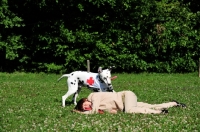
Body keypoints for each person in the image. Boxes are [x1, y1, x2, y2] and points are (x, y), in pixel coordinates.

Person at [73, 91, 186, 114]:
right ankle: (174, 103)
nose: (86, 107)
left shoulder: (94, 96)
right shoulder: (98, 106)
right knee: (152, 105)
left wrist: (79, 112)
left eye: (84, 105)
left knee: (130, 110)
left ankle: (158, 112)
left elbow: (92, 112)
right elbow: (113, 110)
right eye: (84, 108)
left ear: (86, 100)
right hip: (125, 103)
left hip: (126, 96)